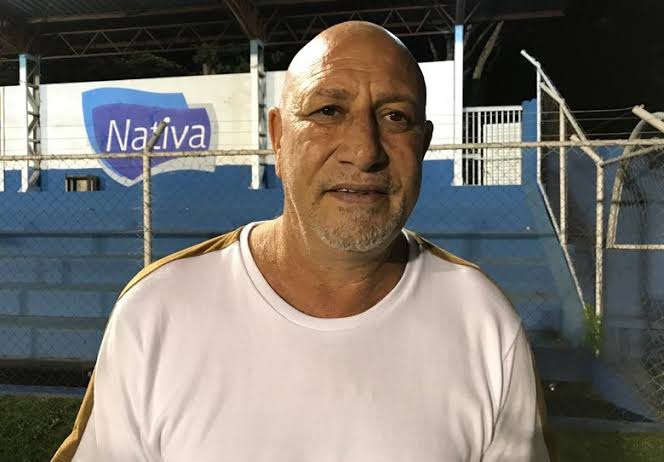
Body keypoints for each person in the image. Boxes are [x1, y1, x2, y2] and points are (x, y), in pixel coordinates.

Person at [53, 21, 553, 462]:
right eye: (329, 110)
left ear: (422, 144)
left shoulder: (484, 322)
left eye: (395, 117)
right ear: (278, 135)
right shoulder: (157, 311)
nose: (364, 150)